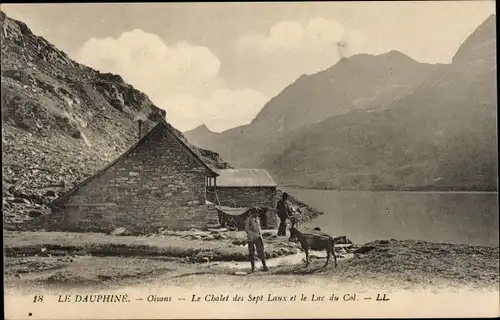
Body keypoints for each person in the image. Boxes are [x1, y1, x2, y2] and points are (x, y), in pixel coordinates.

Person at [245, 207, 269, 272]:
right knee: (251, 252)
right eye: (256, 212)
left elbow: (259, 228)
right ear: (253, 213)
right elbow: (247, 229)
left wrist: (260, 235)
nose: (257, 214)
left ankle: (264, 266)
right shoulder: (249, 219)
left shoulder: (258, 219)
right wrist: (253, 235)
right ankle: (253, 267)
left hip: (258, 237)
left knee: (261, 251)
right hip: (251, 238)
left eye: (258, 212)